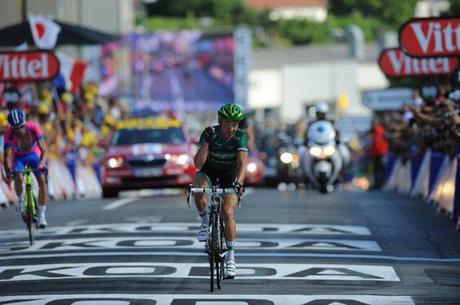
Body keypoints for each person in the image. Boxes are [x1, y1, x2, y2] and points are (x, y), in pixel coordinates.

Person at [193, 103, 248, 279]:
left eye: (235, 124)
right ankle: (204, 221)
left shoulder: (240, 136)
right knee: (198, 188)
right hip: (210, 171)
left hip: (230, 174)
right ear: (220, 122)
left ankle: (231, 257)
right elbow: (198, 164)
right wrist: (206, 144)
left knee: (227, 211)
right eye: (227, 124)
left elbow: (242, 163)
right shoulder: (210, 133)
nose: (231, 128)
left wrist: (238, 182)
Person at [3, 109, 49, 228]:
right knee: (17, 176)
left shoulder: (34, 128)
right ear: (11, 127)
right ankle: (20, 199)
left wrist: (42, 163)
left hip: (33, 155)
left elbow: (44, 149)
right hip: (18, 157)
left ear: (25, 123)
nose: (19, 130)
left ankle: (42, 214)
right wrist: (8, 171)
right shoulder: (8, 134)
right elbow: (6, 156)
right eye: (16, 128)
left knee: (42, 180)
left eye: (21, 126)